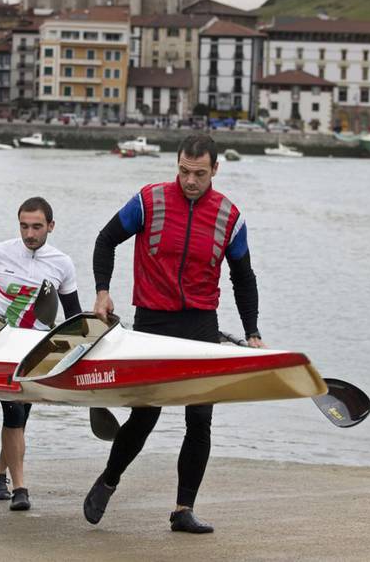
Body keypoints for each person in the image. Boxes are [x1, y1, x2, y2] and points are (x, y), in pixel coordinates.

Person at [83, 133, 264, 534]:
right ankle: (109, 479)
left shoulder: (229, 217)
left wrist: (252, 332)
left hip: (200, 324)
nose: (190, 180)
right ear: (176, 165)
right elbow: (106, 239)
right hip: (153, 321)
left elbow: (243, 277)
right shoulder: (149, 201)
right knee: (145, 415)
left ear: (215, 169)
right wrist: (102, 291)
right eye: (183, 171)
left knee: (199, 419)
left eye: (199, 173)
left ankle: (184, 509)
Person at [0, 196, 81, 511]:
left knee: (20, 418)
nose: (29, 234)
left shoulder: (62, 263)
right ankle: (20, 487)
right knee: (14, 413)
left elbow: (74, 314)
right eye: (24, 226)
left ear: (51, 226)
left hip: (35, 353)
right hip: (0, 348)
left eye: (37, 227)